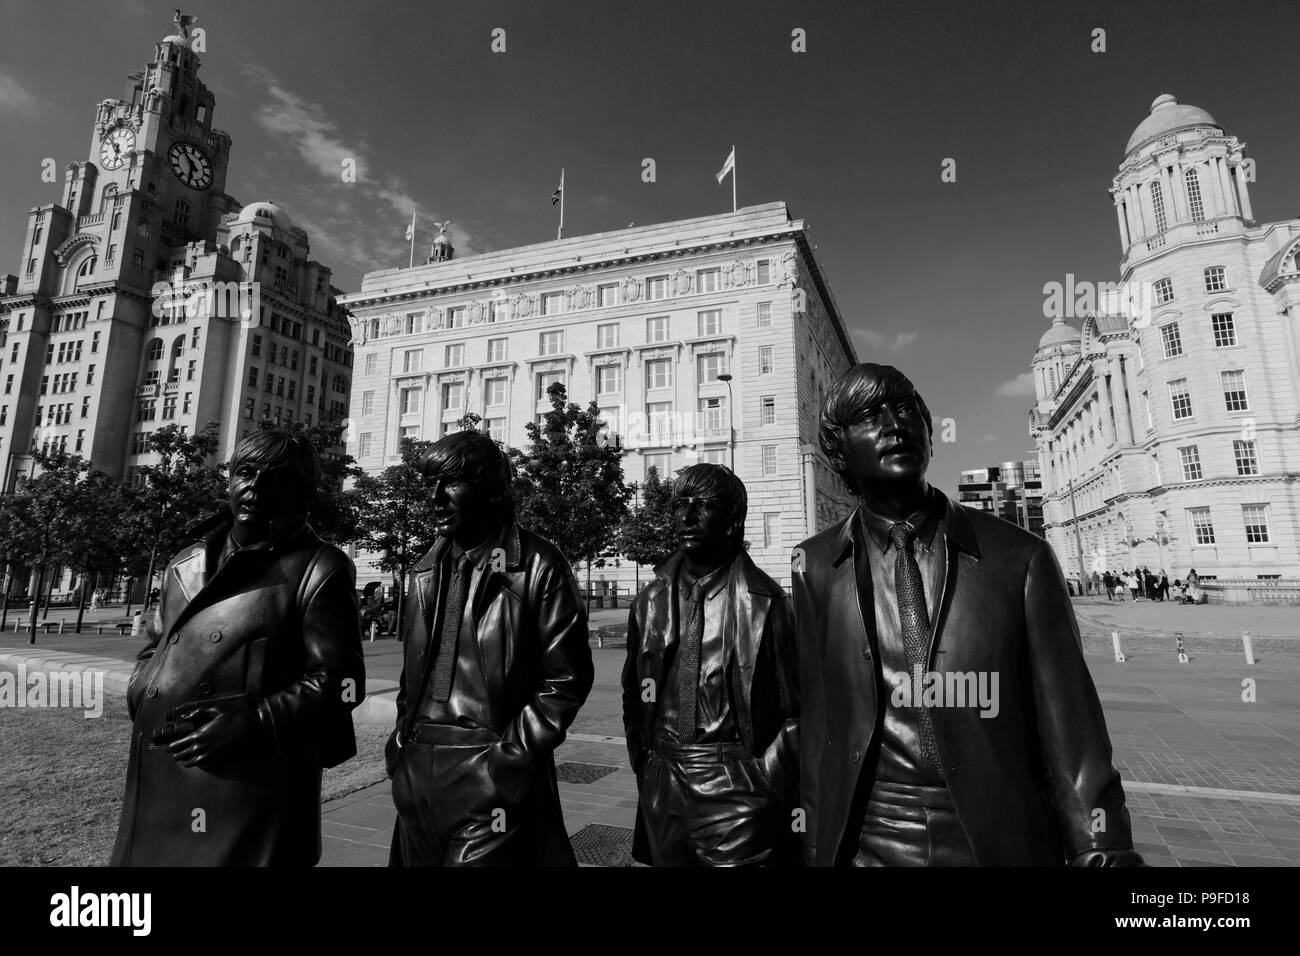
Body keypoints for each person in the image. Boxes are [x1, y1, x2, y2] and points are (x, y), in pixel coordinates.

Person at [793, 363, 1141, 866]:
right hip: (863, 839)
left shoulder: (1019, 557)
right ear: (839, 449)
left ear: (930, 434)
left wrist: (1101, 851)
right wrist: (812, 842)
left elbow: (1074, 735)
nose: (895, 424)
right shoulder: (816, 567)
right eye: (870, 415)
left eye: (907, 409)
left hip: (992, 839)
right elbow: (818, 722)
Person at [112, 429, 366, 866]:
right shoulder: (185, 563)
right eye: (245, 472)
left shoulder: (319, 567)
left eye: (276, 477)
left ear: (301, 492)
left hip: (245, 787)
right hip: (159, 773)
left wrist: (257, 720)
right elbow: (156, 646)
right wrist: (142, 687)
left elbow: (343, 681)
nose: (255, 486)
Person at [387, 430, 594, 866]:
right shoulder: (423, 570)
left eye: (450, 483)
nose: (435, 497)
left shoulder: (537, 565)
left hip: (490, 769)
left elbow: (566, 680)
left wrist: (508, 759)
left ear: (492, 489)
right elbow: (414, 677)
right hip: (419, 770)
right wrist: (400, 744)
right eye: (429, 484)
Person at [622, 464, 800, 866]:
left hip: (737, 789)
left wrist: (763, 782)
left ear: (734, 520)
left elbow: (798, 712)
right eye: (679, 505)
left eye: (702, 506)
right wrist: (646, 764)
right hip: (663, 783)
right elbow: (634, 692)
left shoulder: (767, 604)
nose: (685, 518)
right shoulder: (649, 602)